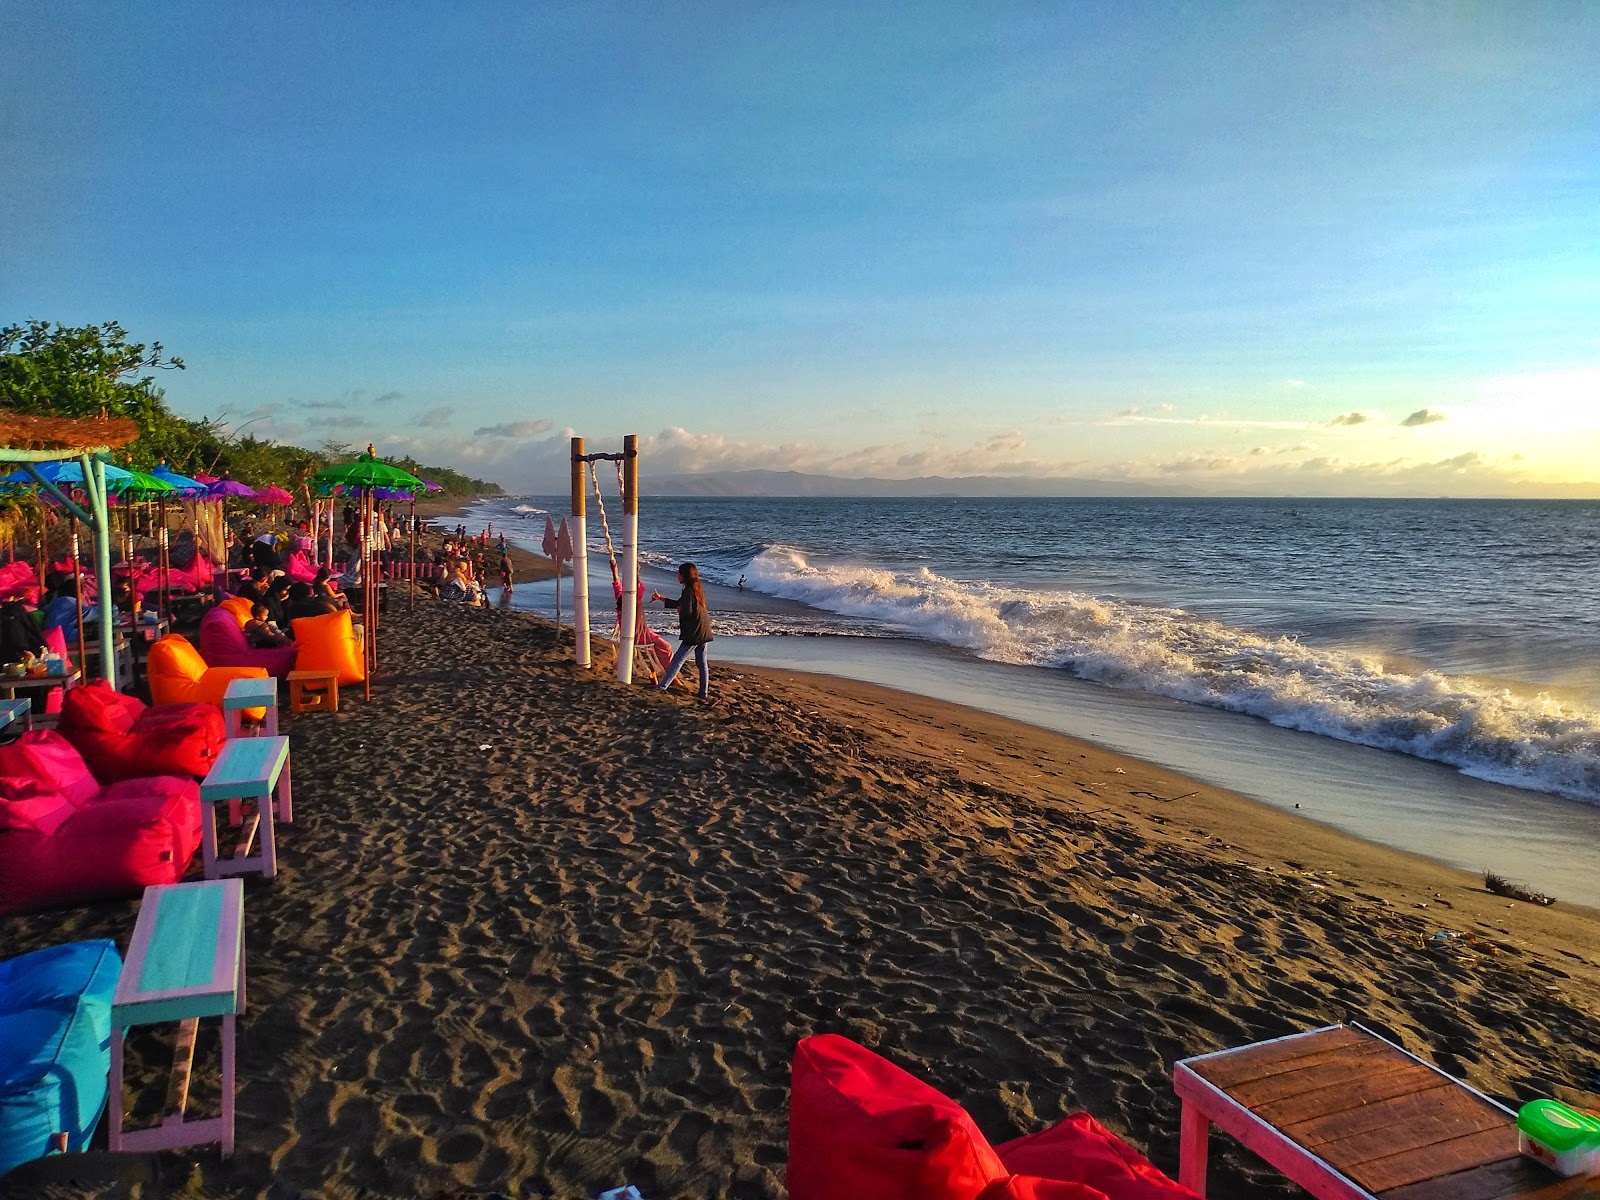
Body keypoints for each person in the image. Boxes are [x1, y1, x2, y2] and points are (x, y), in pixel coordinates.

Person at [651, 562, 714, 700]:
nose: (677, 576)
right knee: (702, 663)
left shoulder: (688, 591)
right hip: (704, 630)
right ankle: (703, 693)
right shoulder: (696, 588)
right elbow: (681, 603)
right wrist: (661, 598)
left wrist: (680, 611)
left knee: (678, 660)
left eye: (679, 573)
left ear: (683, 575)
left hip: (694, 632)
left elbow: (686, 611)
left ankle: (662, 687)